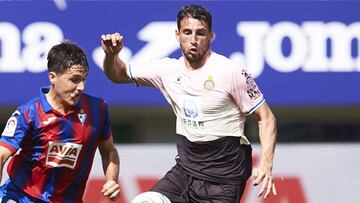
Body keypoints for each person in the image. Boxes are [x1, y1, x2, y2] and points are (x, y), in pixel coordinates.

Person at [101, 4, 277, 203]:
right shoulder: (166, 70)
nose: (193, 40)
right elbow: (118, 74)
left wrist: (266, 165)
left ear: (211, 36)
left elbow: (266, 118)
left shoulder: (231, 72)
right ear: (177, 35)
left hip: (224, 179)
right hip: (185, 171)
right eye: (187, 32)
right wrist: (111, 55)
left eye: (200, 33)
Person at [0, 41, 121, 202]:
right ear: (52, 77)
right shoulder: (29, 112)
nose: (81, 87)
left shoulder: (97, 109)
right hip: (22, 196)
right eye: (75, 79)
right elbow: (1, 155)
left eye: (84, 79)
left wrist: (111, 180)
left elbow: (109, 151)